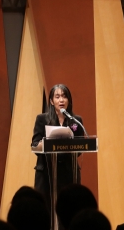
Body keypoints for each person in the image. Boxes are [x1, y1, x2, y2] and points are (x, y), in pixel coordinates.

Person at [31, 84, 85, 217]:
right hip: (46, 173)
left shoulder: (75, 120)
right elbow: (34, 145)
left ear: (69, 100)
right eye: (57, 96)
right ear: (51, 101)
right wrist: (45, 144)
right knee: (46, 210)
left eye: (64, 96)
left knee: (69, 209)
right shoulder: (42, 119)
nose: (61, 100)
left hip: (69, 172)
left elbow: (80, 148)